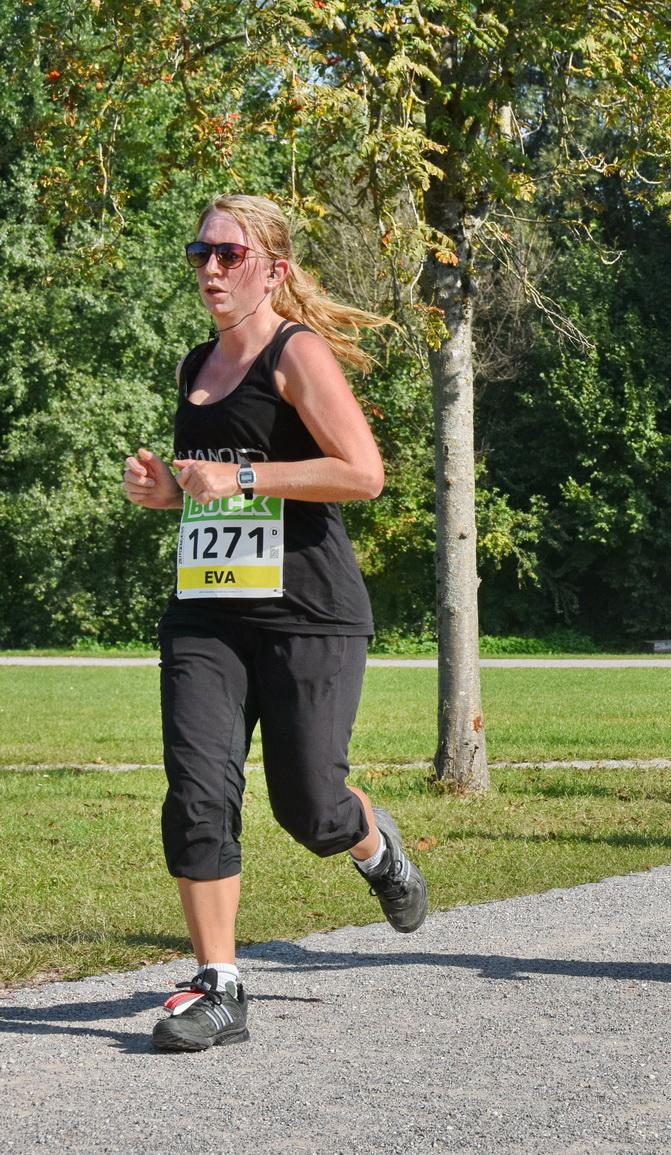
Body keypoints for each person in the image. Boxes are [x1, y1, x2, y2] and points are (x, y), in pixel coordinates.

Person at [121, 195, 424, 1051]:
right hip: (206, 615)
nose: (210, 268)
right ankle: (220, 984)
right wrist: (169, 492)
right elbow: (207, 483)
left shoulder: (297, 353)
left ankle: (375, 846)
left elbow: (363, 473)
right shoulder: (195, 367)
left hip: (309, 615)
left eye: (228, 252)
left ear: (273, 268)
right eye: (200, 252)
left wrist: (247, 481)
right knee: (199, 787)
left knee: (310, 806)